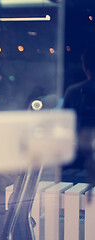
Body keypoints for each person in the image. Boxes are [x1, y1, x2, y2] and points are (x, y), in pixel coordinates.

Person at [62, 46, 95, 184]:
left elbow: (63, 126)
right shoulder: (74, 91)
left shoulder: (74, 91)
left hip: (77, 158)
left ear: (84, 66)